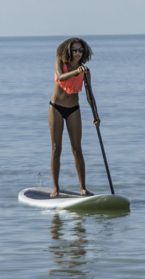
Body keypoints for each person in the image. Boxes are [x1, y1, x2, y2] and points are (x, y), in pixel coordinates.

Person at [48, 37, 100, 197]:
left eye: (80, 50)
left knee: (77, 149)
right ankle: (56, 188)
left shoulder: (85, 71)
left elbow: (90, 95)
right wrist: (76, 71)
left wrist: (96, 116)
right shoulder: (59, 62)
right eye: (75, 50)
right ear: (68, 51)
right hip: (56, 108)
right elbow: (61, 76)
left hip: (73, 109)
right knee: (56, 149)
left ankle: (83, 188)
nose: (78, 53)